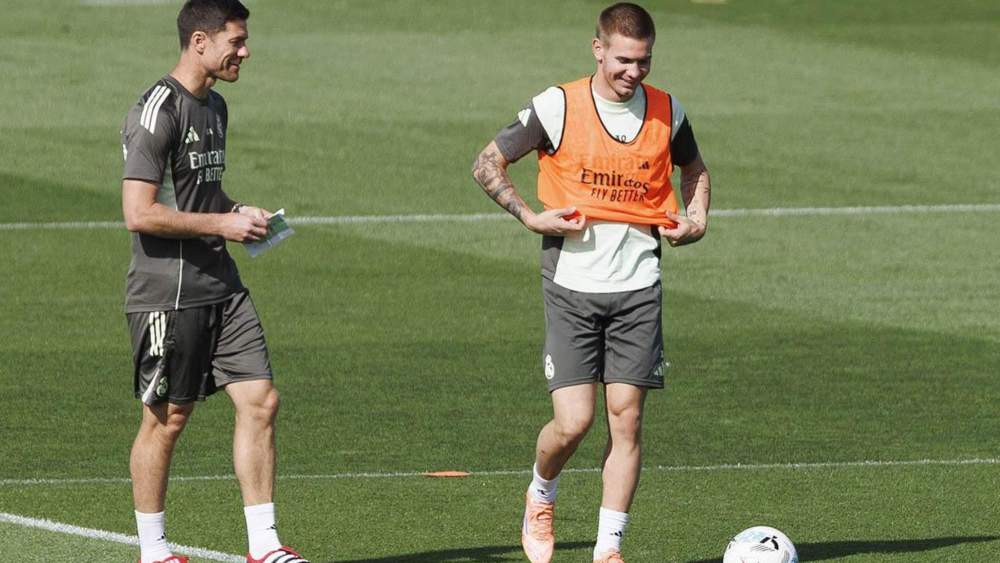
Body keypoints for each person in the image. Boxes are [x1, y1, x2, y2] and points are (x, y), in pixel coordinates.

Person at [471, 3, 711, 562]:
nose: (634, 71)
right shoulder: (557, 106)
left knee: (627, 419)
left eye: (643, 61)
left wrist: (697, 219)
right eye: (624, 60)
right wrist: (529, 217)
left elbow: (695, 170)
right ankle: (541, 492)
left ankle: (608, 549)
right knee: (574, 422)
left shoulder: (667, 110)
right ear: (598, 49)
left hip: (638, 285)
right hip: (572, 285)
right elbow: (486, 163)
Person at [119, 1, 308, 562]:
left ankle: (264, 547)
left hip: (222, 286)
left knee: (261, 401)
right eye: (236, 41)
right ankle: (154, 551)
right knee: (167, 419)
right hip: (168, 293)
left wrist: (237, 212)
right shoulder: (157, 110)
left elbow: (200, 194)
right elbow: (139, 212)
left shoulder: (216, 106)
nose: (245, 52)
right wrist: (221, 225)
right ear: (199, 41)